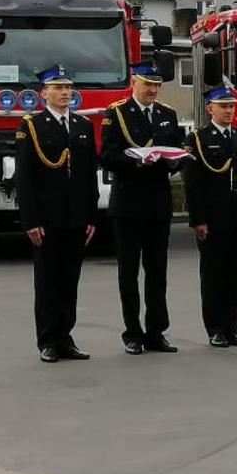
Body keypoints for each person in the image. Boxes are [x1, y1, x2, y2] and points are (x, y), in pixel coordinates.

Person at [15, 65, 99, 363]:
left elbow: (89, 175)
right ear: (44, 94)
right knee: (48, 281)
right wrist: (31, 220)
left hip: (76, 217)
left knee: (69, 280)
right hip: (47, 219)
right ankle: (48, 339)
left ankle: (66, 337)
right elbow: (25, 178)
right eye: (59, 88)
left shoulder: (82, 126)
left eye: (68, 88)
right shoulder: (32, 126)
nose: (65, 93)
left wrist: (91, 215)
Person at [99, 60, 184, 355]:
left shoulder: (167, 115)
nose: (152, 90)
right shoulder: (117, 112)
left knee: (157, 272)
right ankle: (132, 333)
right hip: (128, 203)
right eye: (147, 84)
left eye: (156, 85)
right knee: (129, 273)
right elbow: (108, 156)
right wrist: (137, 160)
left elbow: (176, 151)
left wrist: (173, 162)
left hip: (158, 204)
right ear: (134, 82)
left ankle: (156, 331)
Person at [184, 87, 237, 347]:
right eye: (223, 106)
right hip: (213, 219)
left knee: (233, 276)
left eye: (231, 106)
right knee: (213, 276)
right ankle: (215, 328)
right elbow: (193, 185)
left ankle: (232, 327)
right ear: (210, 109)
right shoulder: (198, 139)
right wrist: (198, 219)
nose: (229, 111)